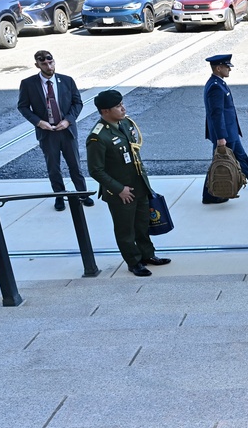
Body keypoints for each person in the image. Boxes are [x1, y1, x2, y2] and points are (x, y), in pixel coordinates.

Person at [86, 90, 171, 277]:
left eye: (122, 104)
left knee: (142, 224)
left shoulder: (124, 123)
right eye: (118, 106)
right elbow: (95, 170)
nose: (123, 108)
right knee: (126, 230)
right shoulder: (97, 137)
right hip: (120, 192)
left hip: (138, 185)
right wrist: (119, 189)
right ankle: (134, 262)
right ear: (105, 111)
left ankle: (148, 254)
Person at [17, 50, 94, 211]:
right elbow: (23, 106)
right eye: (44, 64)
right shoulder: (28, 84)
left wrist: (68, 120)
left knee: (75, 165)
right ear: (37, 65)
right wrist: (38, 122)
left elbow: (77, 103)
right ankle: (59, 195)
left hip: (67, 130)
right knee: (53, 167)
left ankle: (83, 193)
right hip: (47, 132)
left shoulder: (66, 81)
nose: (48, 66)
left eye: (51, 62)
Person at [203, 54, 248, 204]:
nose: (229, 69)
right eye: (227, 66)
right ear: (218, 68)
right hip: (225, 134)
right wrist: (221, 137)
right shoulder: (215, 86)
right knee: (219, 163)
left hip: (231, 131)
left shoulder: (218, 83)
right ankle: (210, 195)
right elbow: (217, 113)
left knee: (241, 157)